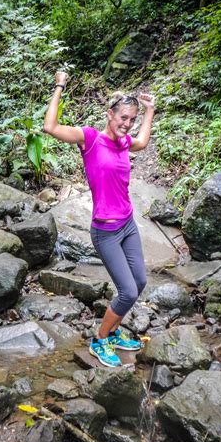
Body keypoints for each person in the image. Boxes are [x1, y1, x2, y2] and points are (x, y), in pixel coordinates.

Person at [43, 71, 155, 367]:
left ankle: (115, 332)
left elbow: (142, 141)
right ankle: (100, 339)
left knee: (139, 282)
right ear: (110, 115)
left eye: (131, 119)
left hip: (128, 225)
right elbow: (50, 126)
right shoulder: (90, 139)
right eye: (123, 118)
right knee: (128, 291)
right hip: (105, 232)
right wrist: (59, 85)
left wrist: (150, 110)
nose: (127, 124)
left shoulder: (124, 142)